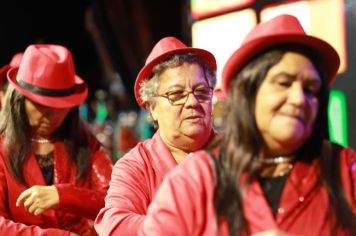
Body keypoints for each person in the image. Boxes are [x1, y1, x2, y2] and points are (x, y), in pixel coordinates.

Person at [138, 14, 356, 236]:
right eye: (283, 83)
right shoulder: (196, 179)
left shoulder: (347, 170)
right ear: (248, 91)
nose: (300, 98)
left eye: (311, 88)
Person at [94, 36, 217, 235]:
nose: (193, 102)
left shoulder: (238, 151)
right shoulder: (136, 165)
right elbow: (114, 224)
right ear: (152, 108)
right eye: (176, 95)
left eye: (202, 91)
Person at [0, 44, 113, 235]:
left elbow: (117, 201)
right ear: (18, 100)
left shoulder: (85, 142)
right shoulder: (3, 148)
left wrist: (64, 195)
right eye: (41, 106)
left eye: (60, 106)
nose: (51, 116)